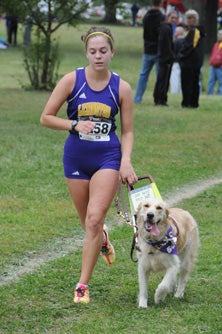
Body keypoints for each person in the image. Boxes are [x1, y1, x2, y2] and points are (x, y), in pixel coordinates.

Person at [40, 26, 138, 304]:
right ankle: (103, 239)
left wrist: (125, 161)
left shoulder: (122, 87)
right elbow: (46, 117)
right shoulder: (72, 80)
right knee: (89, 223)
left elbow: (128, 131)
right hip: (76, 158)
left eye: (103, 51)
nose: (98, 56)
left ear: (112, 53)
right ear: (86, 52)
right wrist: (73, 123)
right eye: (93, 51)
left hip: (108, 157)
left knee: (94, 219)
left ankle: (82, 285)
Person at [134, 0, 165, 103]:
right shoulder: (161, 17)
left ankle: (137, 98)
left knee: (143, 74)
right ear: (161, 3)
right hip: (158, 49)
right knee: (159, 75)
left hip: (147, 48)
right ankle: (158, 98)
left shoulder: (146, 16)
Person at [178, 10, 205, 108]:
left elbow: (190, 46)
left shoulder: (194, 31)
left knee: (188, 83)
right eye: (188, 18)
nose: (189, 20)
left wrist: (181, 55)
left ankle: (187, 103)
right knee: (194, 83)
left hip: (190, 62)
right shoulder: (195, 30)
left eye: (191, 18)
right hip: (195, 62)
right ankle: (193, 103)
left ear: (195, 20)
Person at [153, 10, 178, 106]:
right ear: (167, 17)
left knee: (162, 78)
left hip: (163, 57)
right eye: (172, 18)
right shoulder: (166, 28)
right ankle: (161, 99)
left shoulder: (166, 28)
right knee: (163, 79)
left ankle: (159, 98)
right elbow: (166, 45)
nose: (174, 20)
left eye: (175, 18)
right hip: (165, 58)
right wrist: (171, 56)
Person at [170, 25, 185, 94]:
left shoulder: (175, 42)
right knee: (183, 78)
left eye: (175, 32)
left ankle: (174, 91)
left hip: (176, 62)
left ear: (178, 33)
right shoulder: (186, 41)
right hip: (184, 62)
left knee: (175, 79)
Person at [207, 30, 222, 95]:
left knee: (221, 81)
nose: (218, 36)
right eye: (218, 35)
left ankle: (220, 94)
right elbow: (213, 53)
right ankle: (209, 94)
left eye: (220, 35)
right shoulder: (216, 44)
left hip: (220, 66)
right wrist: (211, 61)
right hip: (213, 66)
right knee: (211, 81)